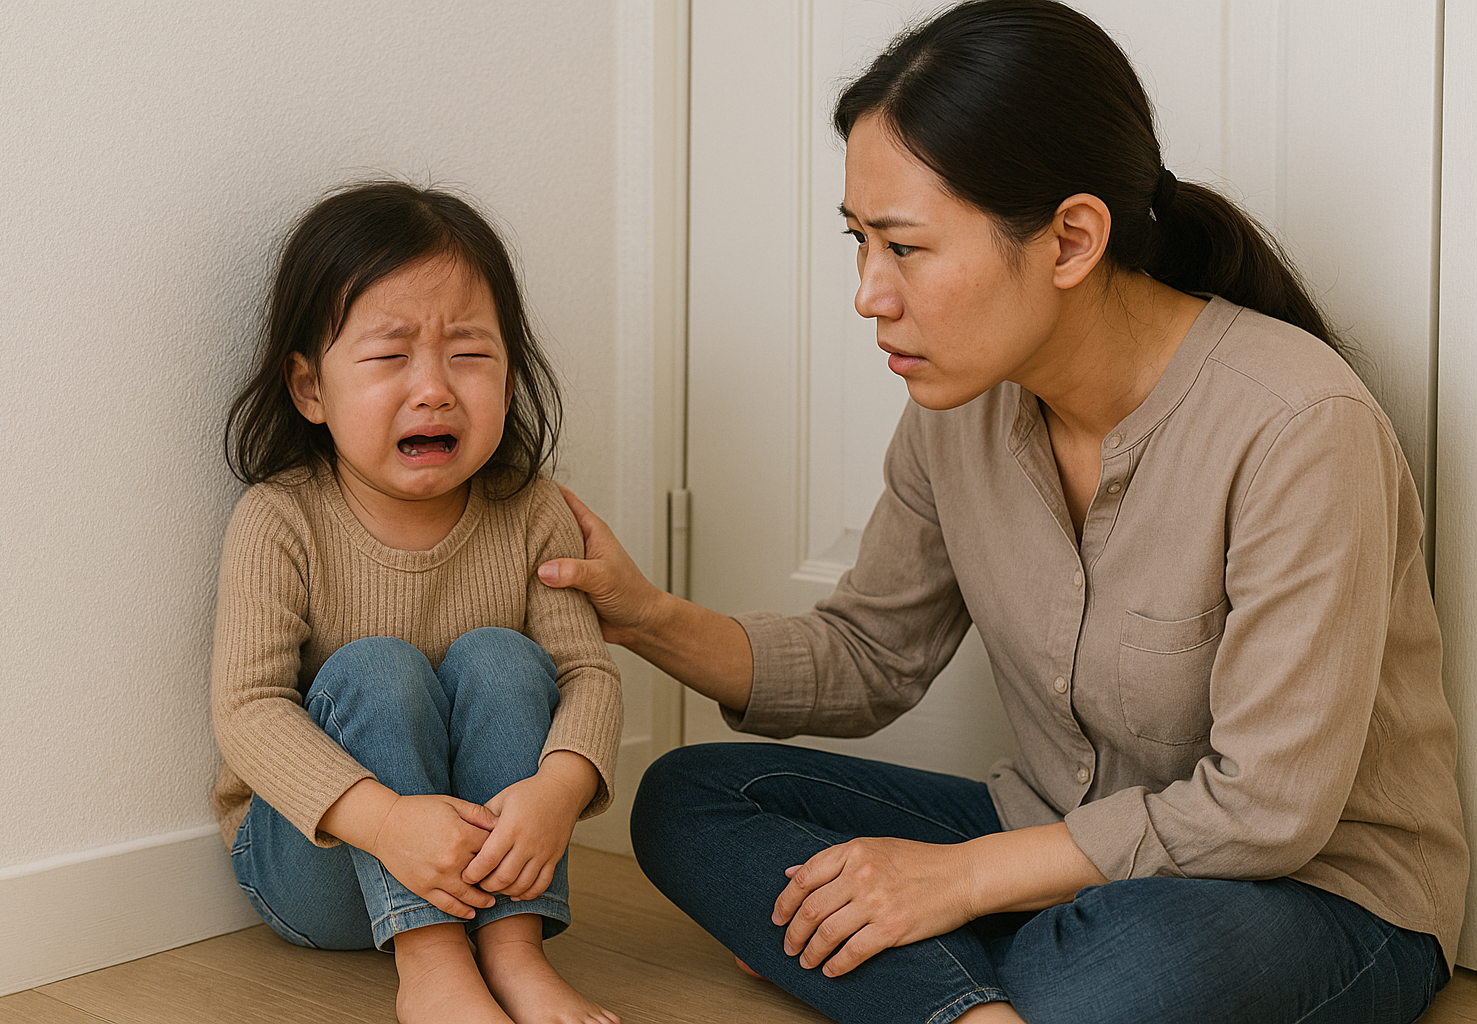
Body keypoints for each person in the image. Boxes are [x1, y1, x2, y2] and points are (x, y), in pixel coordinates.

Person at [535, 2, 1467, 1022]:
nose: (866, 293)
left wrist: (962, 880)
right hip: (1061, 844)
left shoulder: (1297, 422)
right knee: (692, 800)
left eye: (904, 247)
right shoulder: (958, 406)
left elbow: (1267, 809)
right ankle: (976, 1008)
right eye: (858, 241)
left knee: (1116, 975)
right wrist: (648, 616)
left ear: (1071, 238)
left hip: (1310, 893)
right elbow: (868, 655)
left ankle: (915, 968)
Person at [211, 181, 622, 1024]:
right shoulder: (281, 518)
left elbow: (589, 675)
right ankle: (431, 963)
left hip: (491, 865)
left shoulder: (533, 510)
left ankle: (511, 953)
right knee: (377, 668)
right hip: (319, 867)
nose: (433, 388)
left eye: (468, 353)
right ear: (309, 388)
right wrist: (388, 822)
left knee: (505, 656)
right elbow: (247, 710)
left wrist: (559, 789)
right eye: (390, 354)